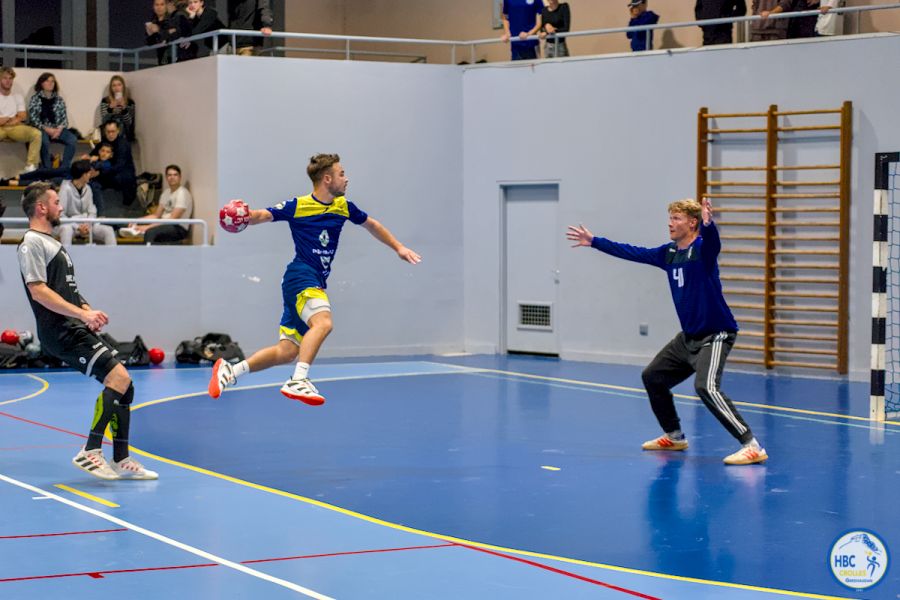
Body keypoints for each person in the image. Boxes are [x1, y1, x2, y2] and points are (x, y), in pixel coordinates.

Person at [566, 198, 768, 465]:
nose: (670, 223)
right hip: (688, 338)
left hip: (716, 334)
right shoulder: (669, 253)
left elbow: (713, 244)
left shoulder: (702, 251)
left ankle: (751, 445)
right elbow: (633, 252)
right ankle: (674, 436)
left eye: (676, 218)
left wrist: (709, 225)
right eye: (670, 218)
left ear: (692, 222)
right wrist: (595, 242)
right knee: (653, 376)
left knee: (706, 387)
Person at [208, 153, 421, 405]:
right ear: (327, 178)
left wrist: (399, 248)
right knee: (323, 323)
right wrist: (242, 215)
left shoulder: (344, 207)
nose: (346, 178)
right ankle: (298, 380)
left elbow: (372, 224)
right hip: (301, 276)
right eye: (342, 174)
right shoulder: (298, 205)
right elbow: (263, 215)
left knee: (286, 351)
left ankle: (231, 371)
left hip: (309, 279)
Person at [16, 182, 157, 479]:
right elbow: (39, 291)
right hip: (60, 331)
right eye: (56, 201)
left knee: (125, 385)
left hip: (74, 325)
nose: (61, 206)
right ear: (41, 207)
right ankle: (91, 450)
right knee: (118, 377)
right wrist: (81, 314)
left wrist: (87, 312)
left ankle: (120, 458)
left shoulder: (53, 243)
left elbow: (67, 291)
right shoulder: (32, 243)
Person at [124, 164, 193, 244]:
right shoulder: (166, 193)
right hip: (165, 224)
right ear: (166, 177)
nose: (172, 177)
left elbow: (172, 219)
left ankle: (149, 256)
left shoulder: (183, 193)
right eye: (169, 175)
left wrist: (147, 227)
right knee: (129, 224)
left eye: (175, 175)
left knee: (150, 232)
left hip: (178, 227)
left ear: (180, 177)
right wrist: (136, 221)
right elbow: (156, 215)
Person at [57, 160, 116, 246]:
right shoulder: (65, 189)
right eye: (89, 173)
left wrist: (87, 225)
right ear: (83, 175)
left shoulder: (88, 188)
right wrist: (78, 227)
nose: (90, 175)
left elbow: (92, 210)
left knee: (108, 230)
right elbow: (61, 215)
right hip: (71, 225)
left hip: (87, 224)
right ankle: (67, 258)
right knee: (66, 230)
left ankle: (114, 258)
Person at [27, 73, 78, 170]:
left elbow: (64, 119)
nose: (50, 83)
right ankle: (48, 168)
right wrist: (47, 129)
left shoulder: (59, 99)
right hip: (42, 128)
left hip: (57, 129)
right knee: (44, 141)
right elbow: (33, 119)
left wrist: (58, 130)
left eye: (52, 81)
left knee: (72, 139)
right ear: (41, 83)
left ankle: (64, 168)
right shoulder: (35, 99)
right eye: (47, 81)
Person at [0, 67, 40, 174]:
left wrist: (8, 120)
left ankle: (31, 166)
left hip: (15, 128)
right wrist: (10, 118)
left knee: (36, 134)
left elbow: (23, 116)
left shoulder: (17, 96)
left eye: (10, 78)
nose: (8, 81)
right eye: (5, 78)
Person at [89, 120, 137, 207]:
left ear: (118, 131)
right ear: (105, 131)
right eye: (108, 132)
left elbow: (119, 166)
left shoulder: (123, 144)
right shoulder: (103, 142)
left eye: (113, 131)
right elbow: (92, 154)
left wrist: (99, 172)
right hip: (107, 171)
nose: (110, 134)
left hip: (122, 174)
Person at [99, 75, 136, 142]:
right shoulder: (105, 101)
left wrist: (124, 109)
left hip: (124, 132)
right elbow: (104, 121)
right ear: (111, 88)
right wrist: (110, 108)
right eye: (114, 85)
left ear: (123, 86)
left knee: (120, 123)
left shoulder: (130, 102)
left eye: (119, 85)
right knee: (114, 123)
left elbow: (129, 122)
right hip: (109, 130)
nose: (117, 88)